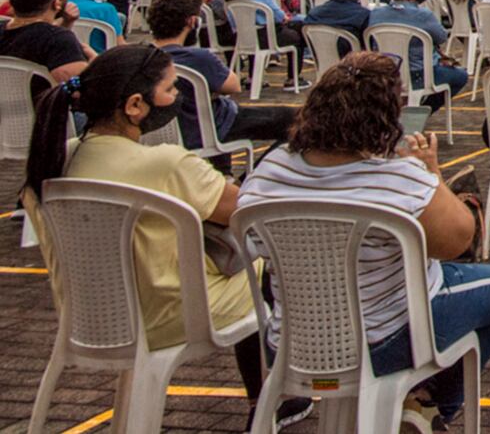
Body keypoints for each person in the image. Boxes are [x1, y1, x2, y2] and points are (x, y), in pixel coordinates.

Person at [21, 46, 314, 425]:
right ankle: (268, 396)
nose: (177, 98)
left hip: (90, 315)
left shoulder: (49, 162)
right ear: (136, 105)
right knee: (259, 265)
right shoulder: (165, 163)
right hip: (172, 313)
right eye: (172, 89)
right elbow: (248, 212)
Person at [238, 53, 490, 428]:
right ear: (387, 118)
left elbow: (251, 246)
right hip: (383, 343)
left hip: (288, 342)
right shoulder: (398, 179)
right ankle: (433, 406)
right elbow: (460, 241)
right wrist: (431, 172)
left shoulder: (270, 171)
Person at [149, 0, 295, 152]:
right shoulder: (198, 58)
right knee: (299, 121)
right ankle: (256, 174)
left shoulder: (138, 56)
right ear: (192, 22)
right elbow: (234, 86)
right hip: (211, 127)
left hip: (161, 134)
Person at [371, 0, 470, 104]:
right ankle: (424, 109)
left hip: (384, 73)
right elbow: (441, 38)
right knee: (460, 76)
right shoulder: (423, 15)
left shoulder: (376, 13)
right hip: (418, 74)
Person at [0, 0, 91, 82]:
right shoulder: (58, 39)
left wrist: (67, 23)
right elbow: (79, 89)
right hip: (35, 99)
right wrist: (95, 61)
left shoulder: (53, 38)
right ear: (56, 3)